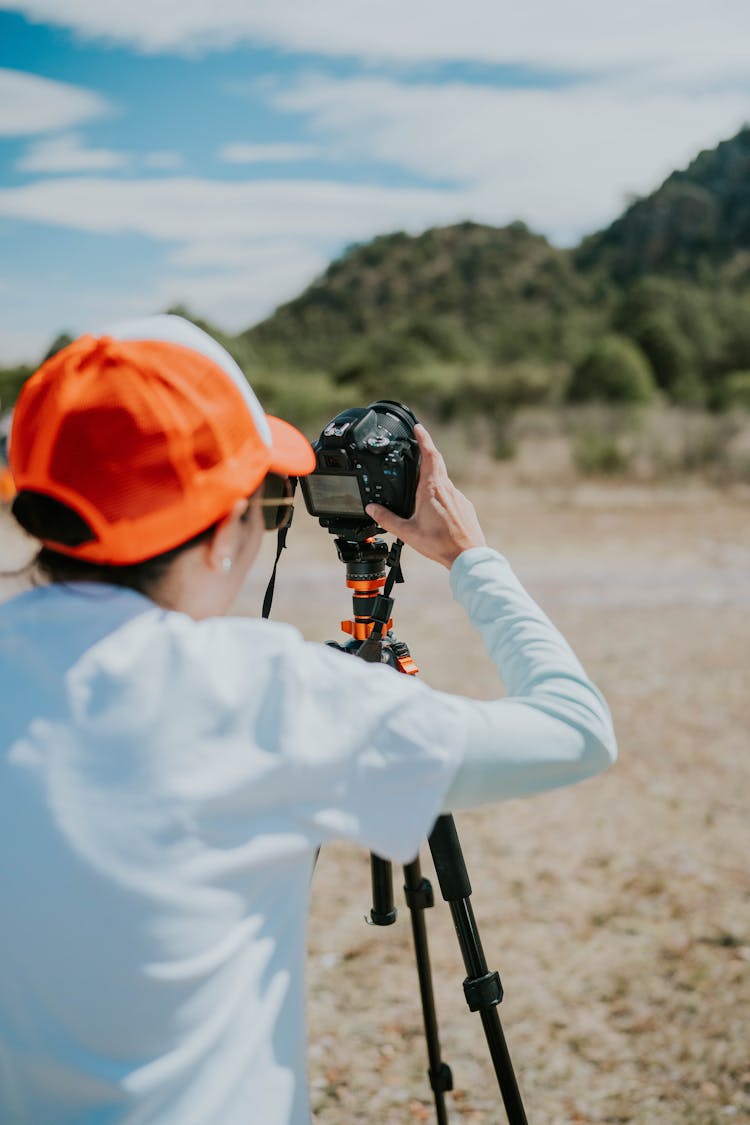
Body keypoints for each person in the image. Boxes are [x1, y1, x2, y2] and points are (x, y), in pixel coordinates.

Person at [0, 315, 616, 1124]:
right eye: (264, 498)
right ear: (223, 528)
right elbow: (578, 730)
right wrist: (472, 556)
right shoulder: (273, 697)